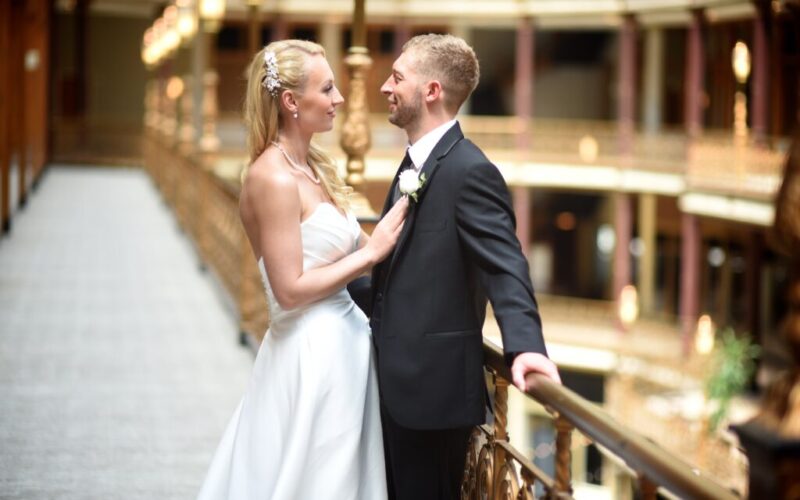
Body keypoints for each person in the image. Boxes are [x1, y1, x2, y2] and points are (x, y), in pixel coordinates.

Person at [197, 39, 407, 500]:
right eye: (328, 88)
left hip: (345, 349)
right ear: (291, 102)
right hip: (310, 355)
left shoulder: (312, 166)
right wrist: (370, 256)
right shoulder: (271, 177)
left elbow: (347, 247)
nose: (340, 99)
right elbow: (288, 290)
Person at [369, 34, 561, 499]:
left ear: (431, 91)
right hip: (393, 385)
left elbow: (505, 264)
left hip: (432, 399)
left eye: (397, 77)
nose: (384, 87)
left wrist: (526, 346)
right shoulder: (415, 161)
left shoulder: (470, 171)